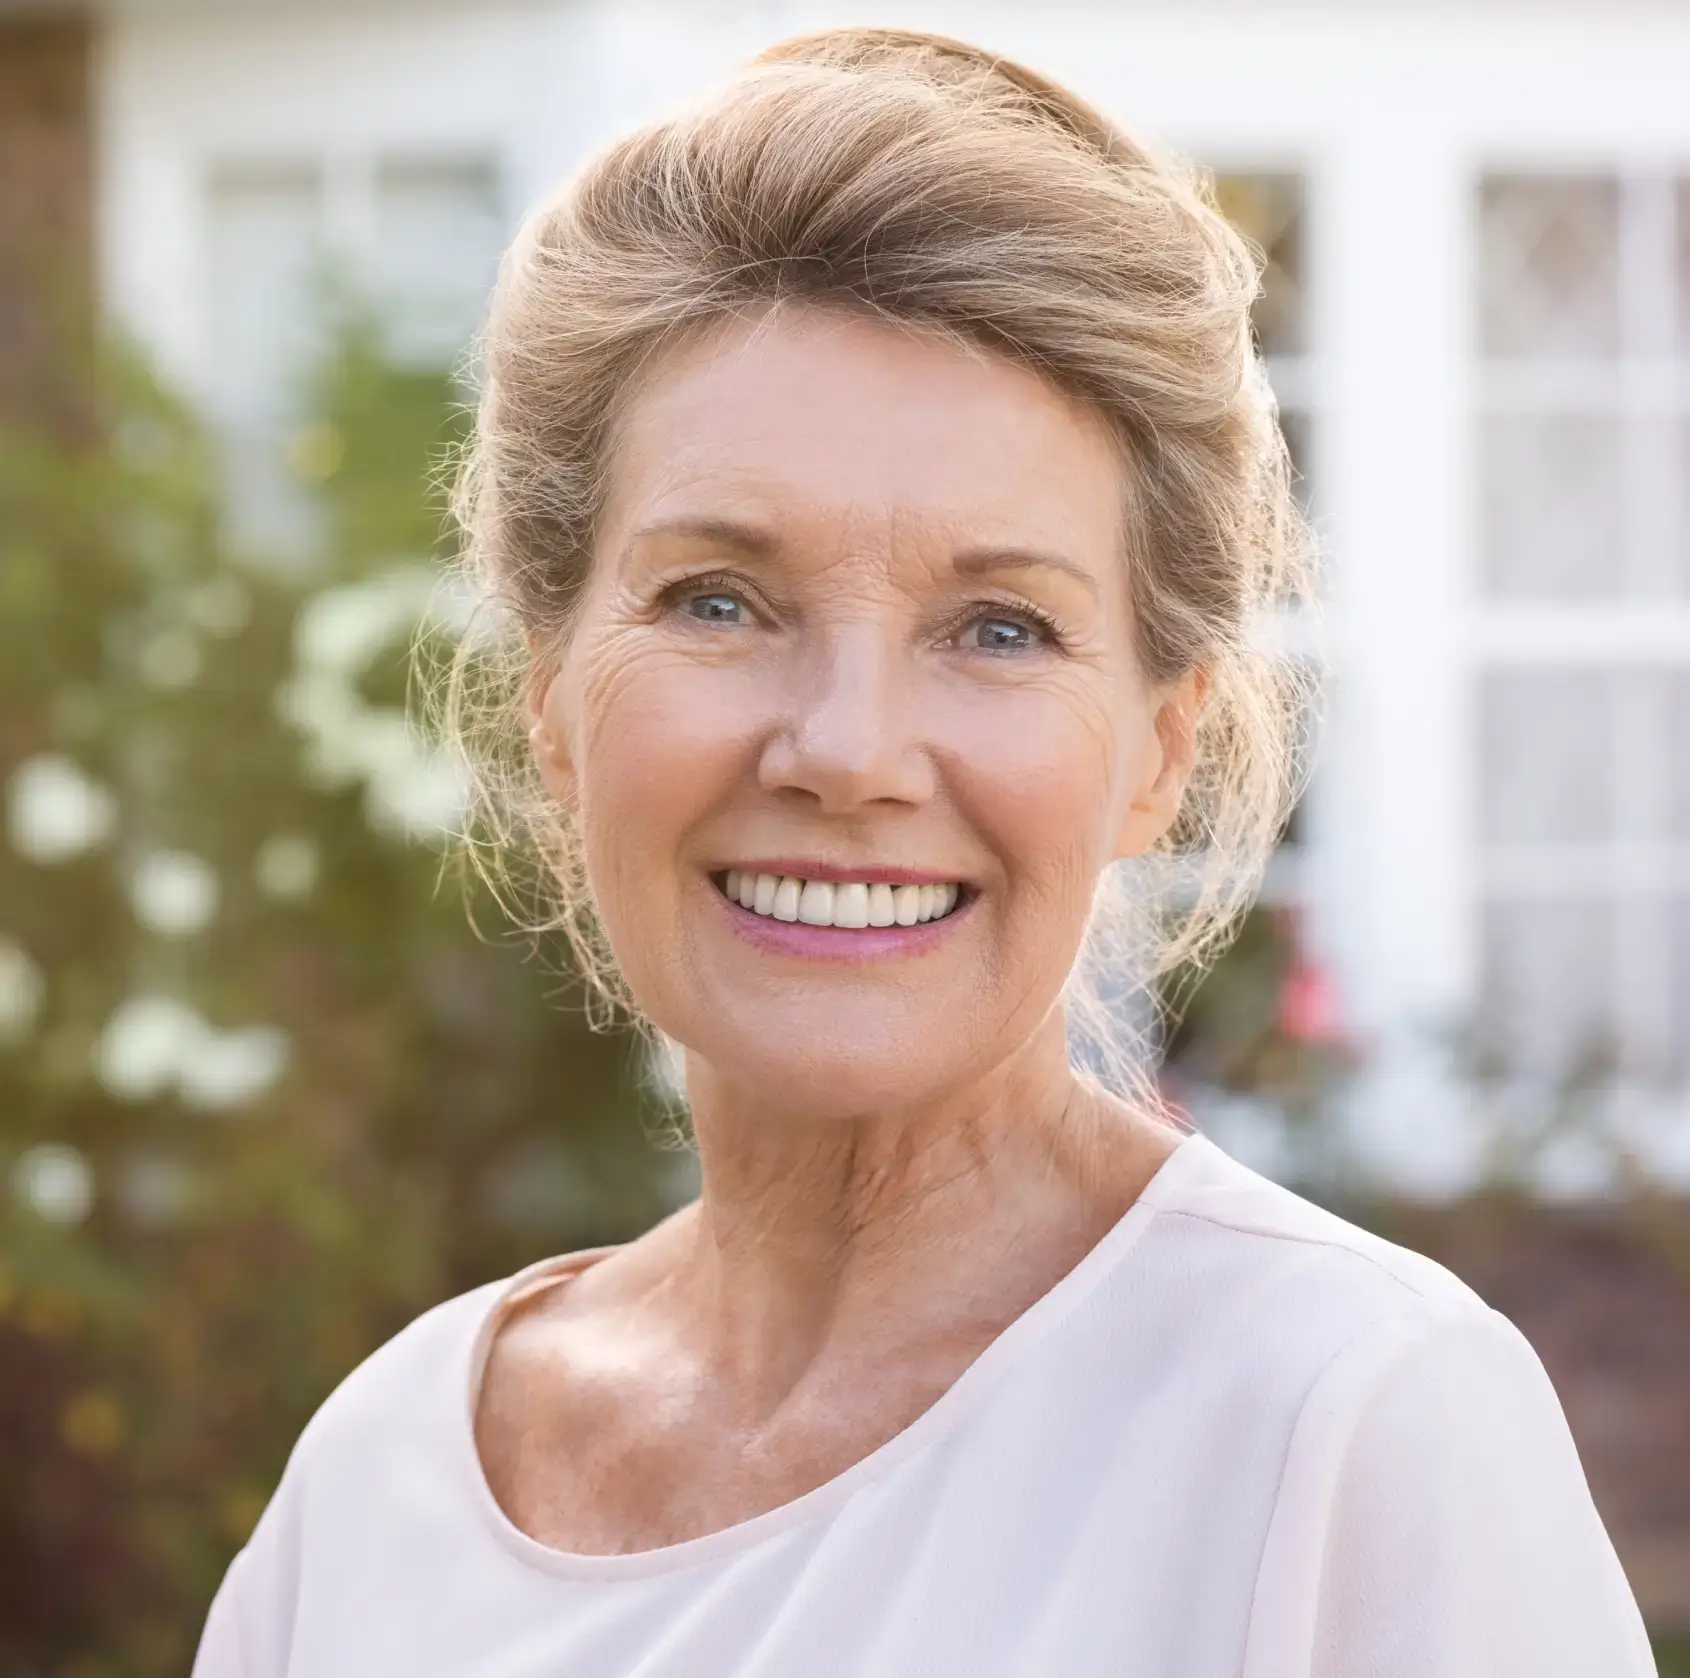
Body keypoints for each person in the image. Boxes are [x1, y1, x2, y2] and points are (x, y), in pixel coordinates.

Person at [191, 28, 1657, 1677]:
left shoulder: (1347, 1419)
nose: (848, 751)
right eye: (719, 600)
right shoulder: (381, 1484)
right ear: (549, 697)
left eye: (998, 626)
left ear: (1156, 752)